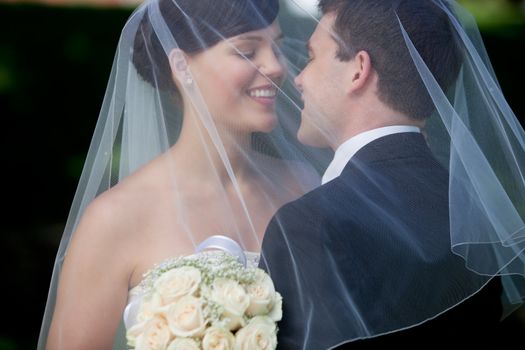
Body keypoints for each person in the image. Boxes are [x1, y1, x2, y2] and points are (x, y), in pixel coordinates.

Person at [38, 0, 322, 349]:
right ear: (181, 65)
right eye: (247, 51)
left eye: (276, 46)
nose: (276, 66)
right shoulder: (114, 218)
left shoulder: (303, 185)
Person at [260, 0, 525, 349]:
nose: (298, 78)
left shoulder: (308, 225)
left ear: (358, 69)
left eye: (311, 57)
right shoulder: (474, 217)